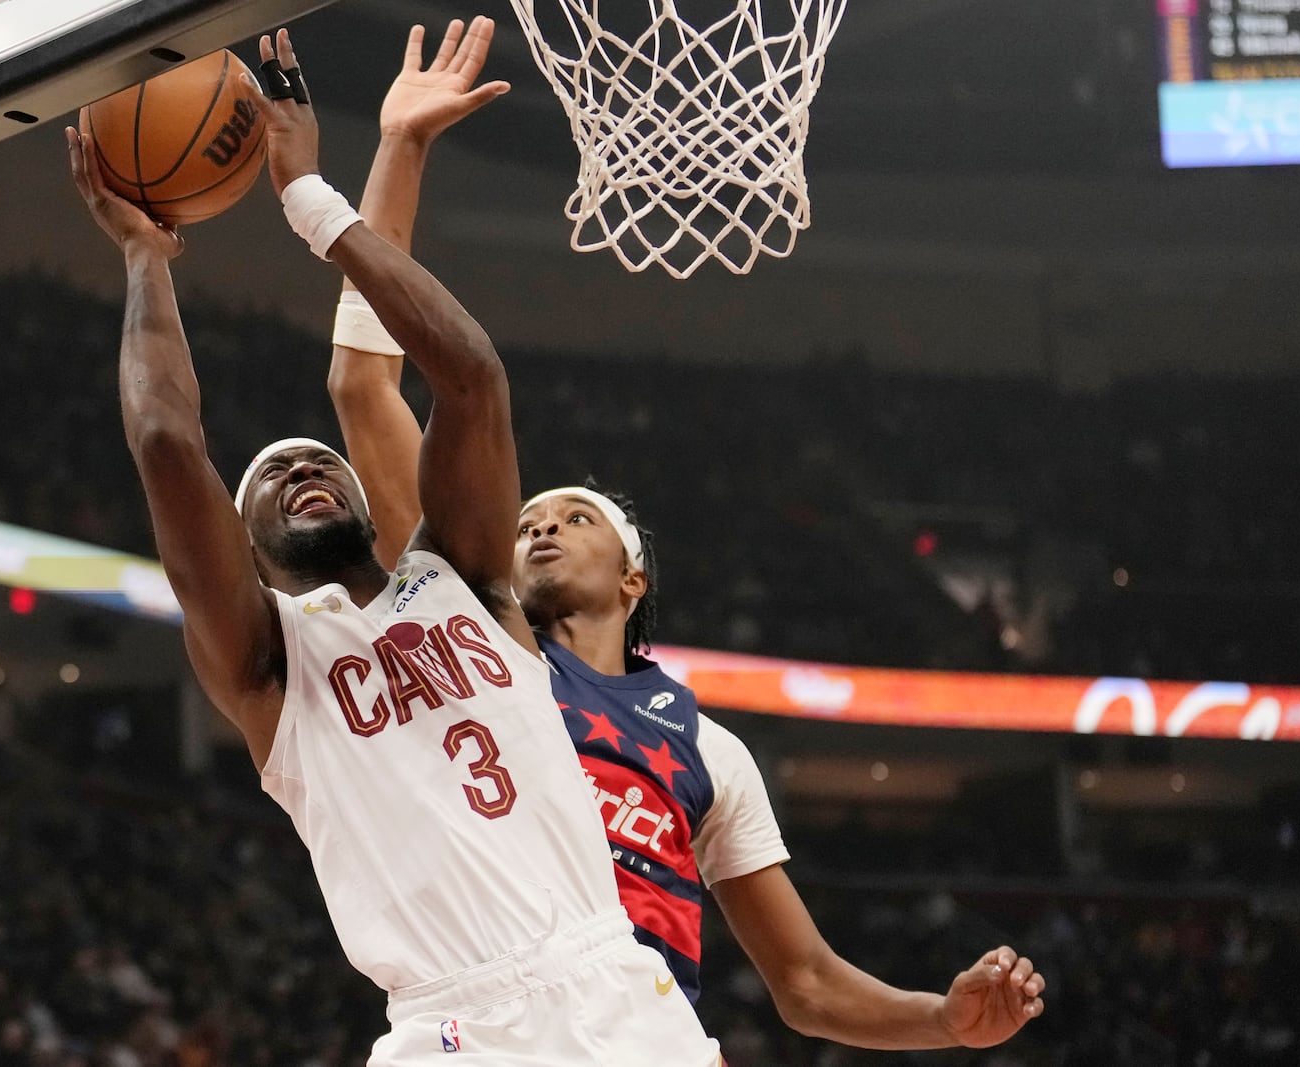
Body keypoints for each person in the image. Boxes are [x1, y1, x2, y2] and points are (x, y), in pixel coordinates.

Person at [323, 18, 1049, 1053]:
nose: (537, 526)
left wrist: (943, 1016)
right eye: (527, 515)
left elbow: (803, 979)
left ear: (631, 577)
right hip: (481, 1017)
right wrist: (397, 150)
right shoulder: (475, 638)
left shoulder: (706, 748)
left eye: (571, 518)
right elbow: (362, 381)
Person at [65, 24, 722, 1067]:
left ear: (374, 503)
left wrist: (308, 198)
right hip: (450, 1023)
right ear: (249, 548)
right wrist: (147, 258)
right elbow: (161, 438)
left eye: (315, 460)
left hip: (617, 988)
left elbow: (471, 378)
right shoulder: (268, 659)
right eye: (269, 477)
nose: (299, 469)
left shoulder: (468, 578)